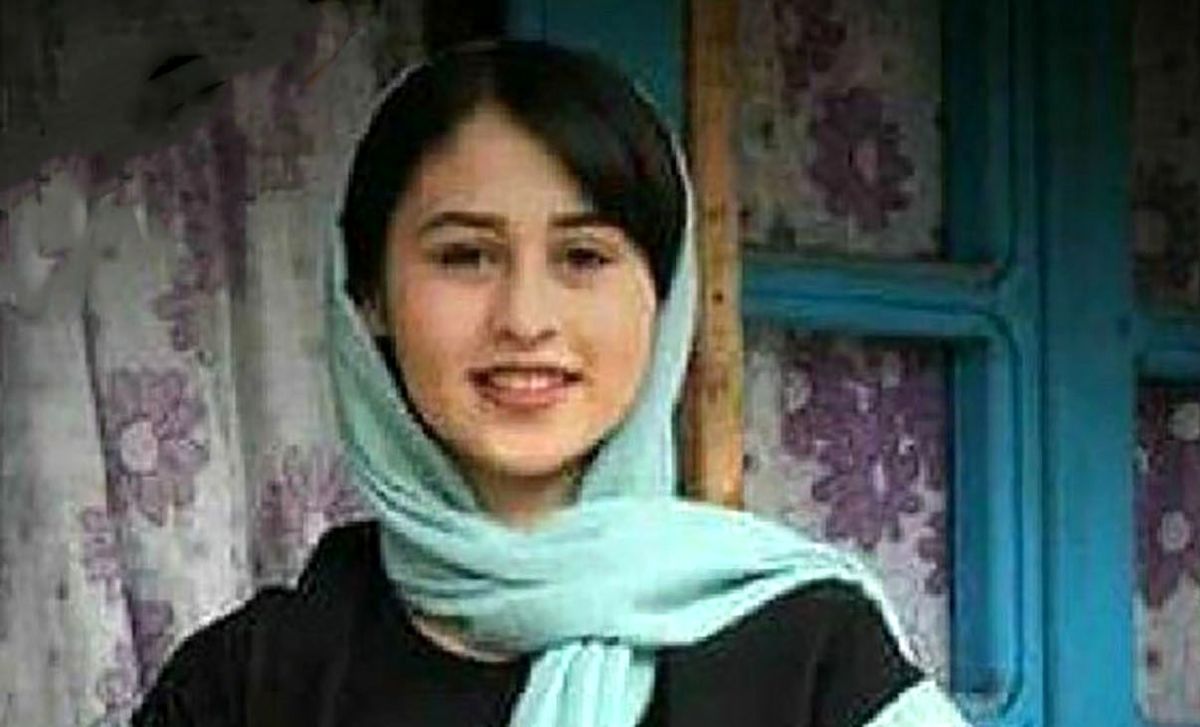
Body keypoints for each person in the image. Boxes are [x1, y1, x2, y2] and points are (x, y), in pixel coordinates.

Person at [133, 40, 970, 727]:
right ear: (369, 296)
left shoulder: (807, 652)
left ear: (665, 295)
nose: (525, 317)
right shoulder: (248, 685)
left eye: (583, 257)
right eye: (465, 255)